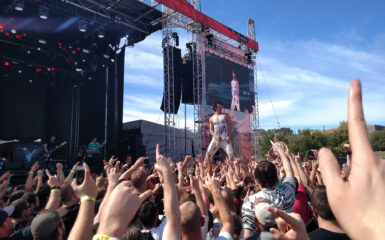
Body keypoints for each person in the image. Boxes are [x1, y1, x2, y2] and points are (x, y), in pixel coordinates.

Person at [241, 141, 296, 238]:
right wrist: (281, 151)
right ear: (276, 179)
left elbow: (247, 234)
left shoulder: (249, 201)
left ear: (256, 181)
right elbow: (289, 172)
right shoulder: (285, 194)